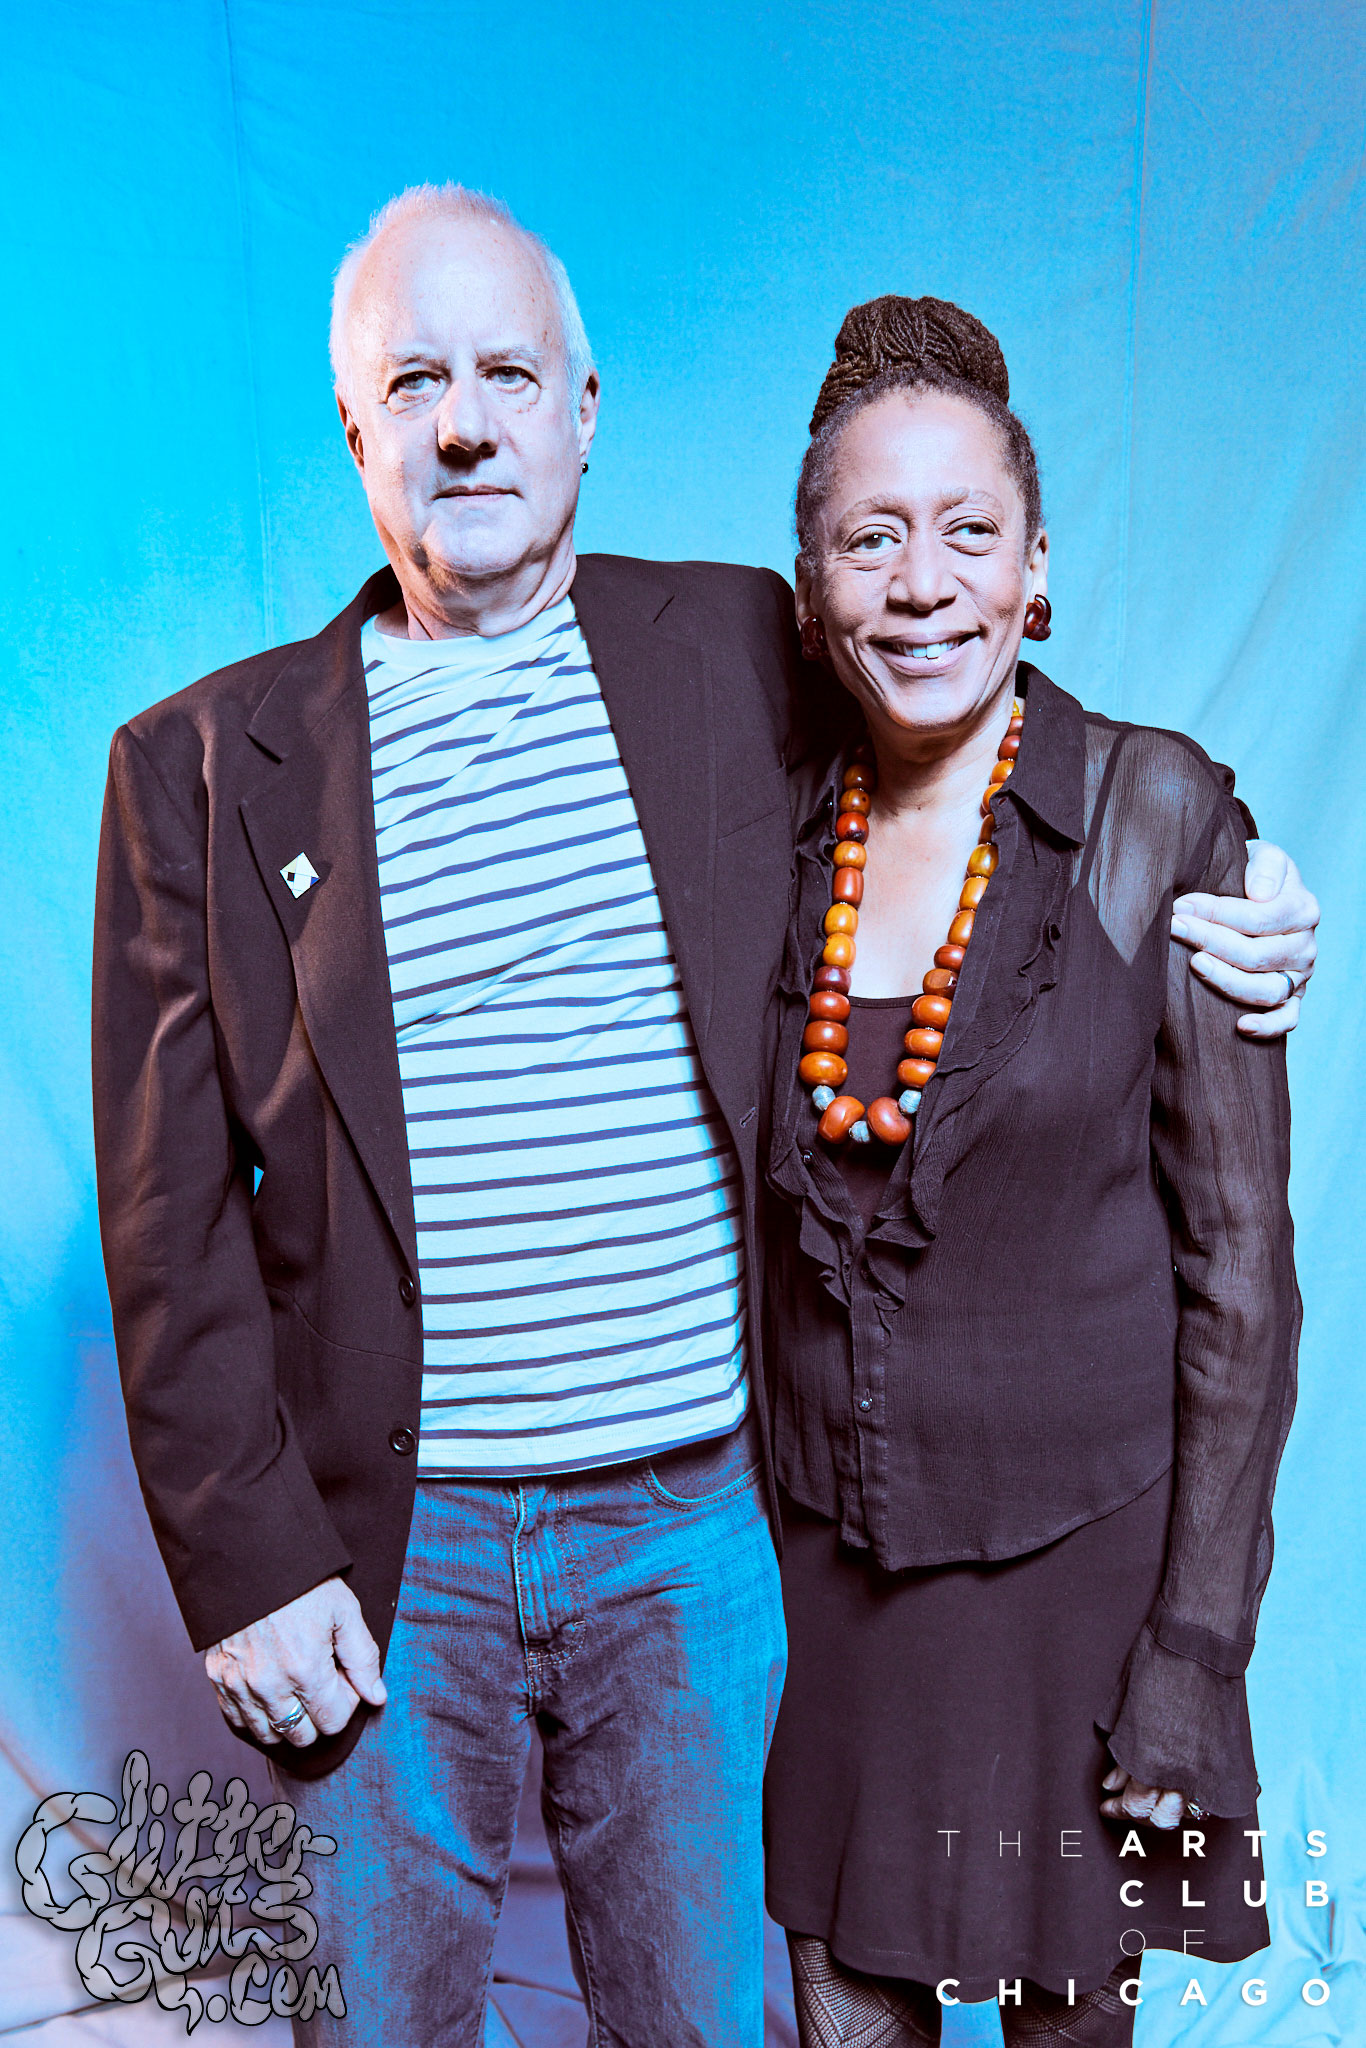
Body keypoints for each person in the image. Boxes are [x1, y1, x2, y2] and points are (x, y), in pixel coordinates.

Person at [91, 191, 1313, 2048]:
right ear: (351, 428)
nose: (465, 424)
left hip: (700, 1537)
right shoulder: (195, 769)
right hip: (392, 1551)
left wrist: (1231, 874)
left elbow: (970, 705)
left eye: (510, 373)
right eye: (413, 382)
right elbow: (165, 1217)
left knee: (714, 2019)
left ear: (586, 409)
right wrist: (246, 1568)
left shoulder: (736, 649)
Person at [761, 296, 1302, 2048]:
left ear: (1036, 564)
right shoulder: (763, 829)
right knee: (838, 1998)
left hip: (1086, 1573)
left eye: (967, 532)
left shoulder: (1156, 818)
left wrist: (1197, 1642)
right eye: (869, 539)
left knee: (1069, 2018)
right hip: (827, 1577)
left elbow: (1243, 1276)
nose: (921, 585)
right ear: (808, 588)